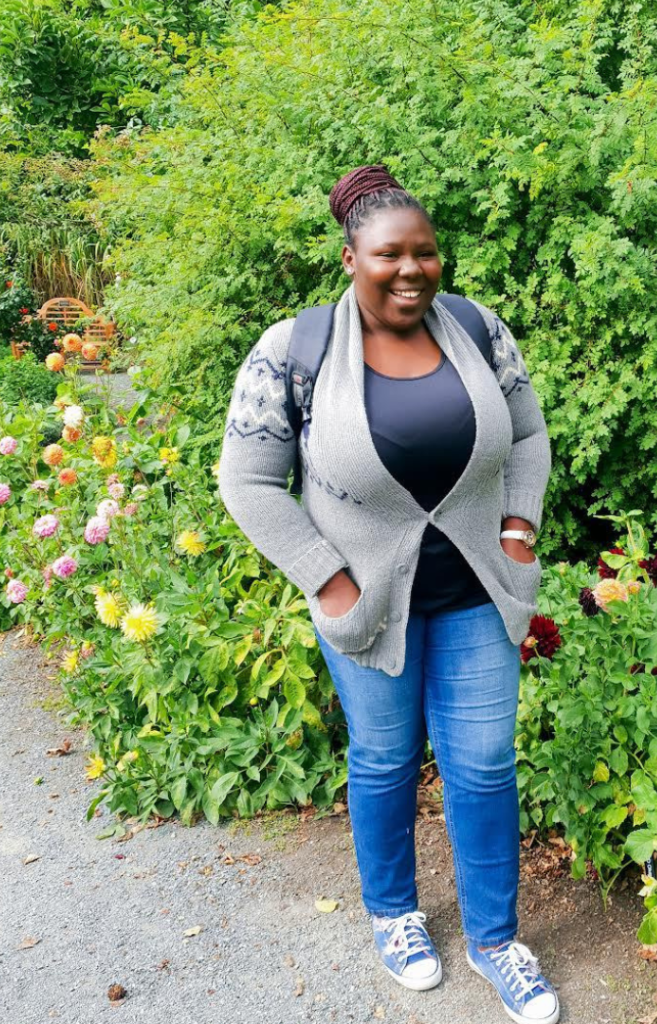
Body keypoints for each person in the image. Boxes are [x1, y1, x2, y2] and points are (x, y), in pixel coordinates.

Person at [218, 165, 557, 1024]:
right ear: (350, 258)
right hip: (367, 609)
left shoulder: (478, 329)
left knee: (484, 765)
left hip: (479, 593)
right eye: (389, 254)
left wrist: (518, 529)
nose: (411, 269)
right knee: (382, 759)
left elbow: (527, 433)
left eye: (425, 252)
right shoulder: (292, 351)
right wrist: (326, 577)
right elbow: (247, 481)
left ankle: (495, 941)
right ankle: (395, 914)